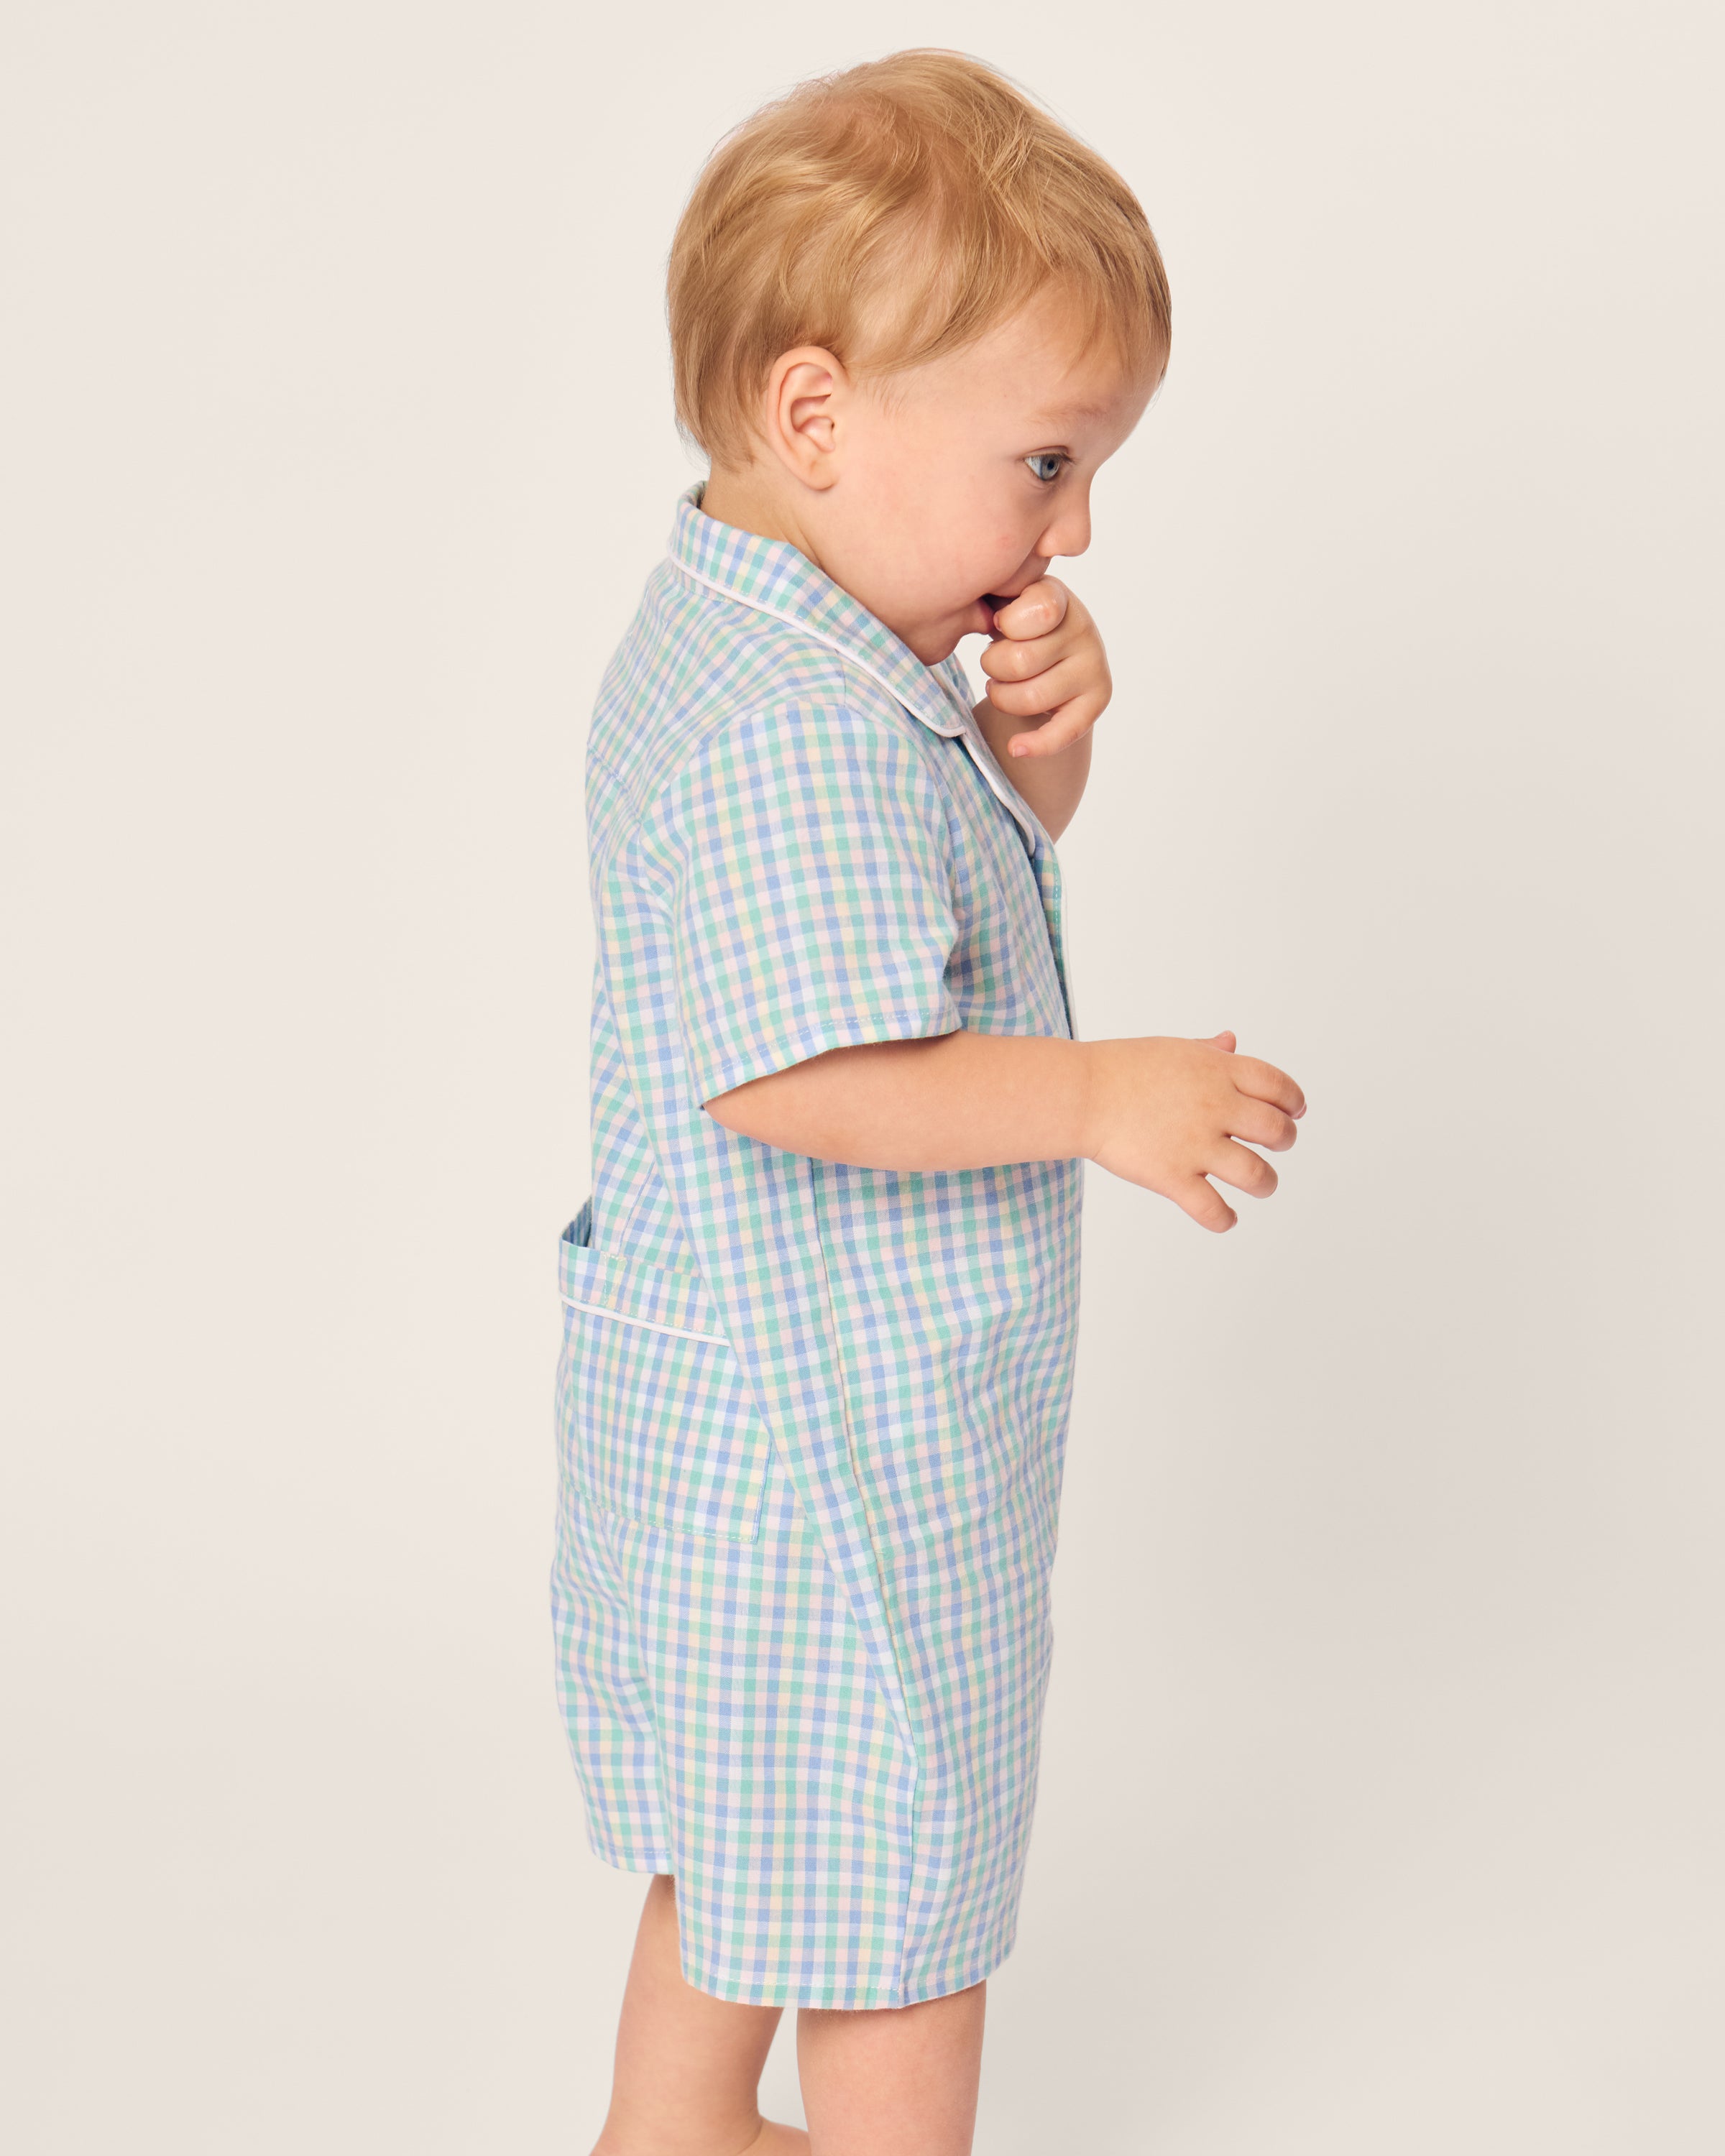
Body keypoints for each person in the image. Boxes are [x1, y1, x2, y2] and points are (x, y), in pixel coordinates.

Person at [551, 47, 1307, 2156]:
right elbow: (800, 1067)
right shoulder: (799, 733)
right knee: (896, 1897)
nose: (1073, 528)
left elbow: (878, 927)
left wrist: (1027, 766)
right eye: (1047, 464)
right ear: (817, 417)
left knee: (756, 1816)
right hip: (834, 1464)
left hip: (744, 1428)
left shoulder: (770, 633)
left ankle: (675, 2130)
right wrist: (1100, 1096)